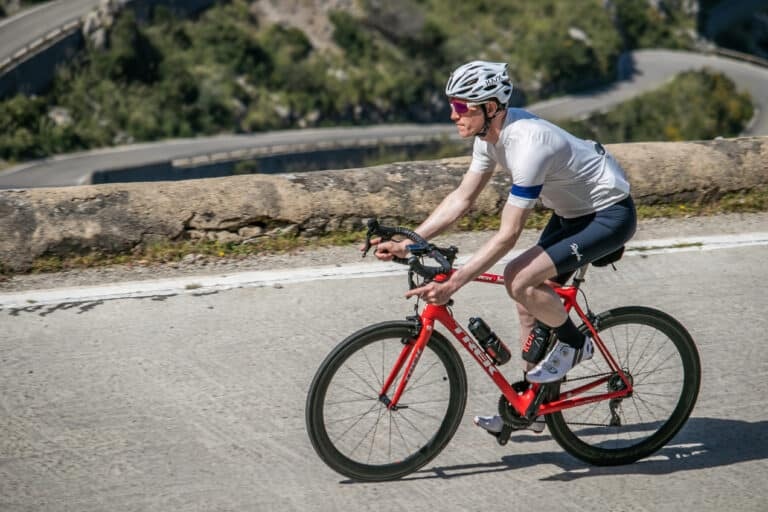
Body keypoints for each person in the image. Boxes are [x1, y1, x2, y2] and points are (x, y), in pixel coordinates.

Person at [368, 60, 637, 436]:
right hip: (572, 215)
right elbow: (461, 199)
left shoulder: (528, 145)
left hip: (608, 215)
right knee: (526, 301)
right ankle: (532, 406)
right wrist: (410, 242)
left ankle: (576, 344)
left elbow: (508, 235)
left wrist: (454, 283)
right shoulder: (488, 139)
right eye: (452, 105)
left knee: (518, 278)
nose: (453, 115)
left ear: (490, 107)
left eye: (461, 107)